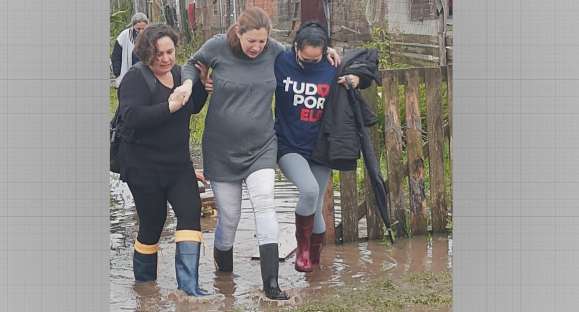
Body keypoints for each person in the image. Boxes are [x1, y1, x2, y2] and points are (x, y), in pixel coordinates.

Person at [172, 7, 339, 301]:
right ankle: (224, 277)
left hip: (262, 145)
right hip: (221, 149)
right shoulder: (217, 47)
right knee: (230, 218)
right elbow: (190, 64)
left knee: (265, 205)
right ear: (238, 33)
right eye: (252, 41)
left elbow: (304, 53)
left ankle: (271, 284)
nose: (257, 47)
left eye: (262, 42)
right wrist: (191, 82)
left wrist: (330, 52)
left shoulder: (275, 51)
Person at [117, 24, 209, 297]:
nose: (166, 59)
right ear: (146, 53)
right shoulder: (135, 78)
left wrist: (202, 87)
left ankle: (189, 288)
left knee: (190, 213)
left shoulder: (181, 74)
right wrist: (169, 106)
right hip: (143, 167)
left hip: (178, 165)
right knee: (153, 222)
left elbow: (192, 108)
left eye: (170, 52)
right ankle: (145, 287)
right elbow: (131, 117)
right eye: (158, 54)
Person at [273, 22, 361, 272]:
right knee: (309, 190)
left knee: (317, 204)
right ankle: (302, 250)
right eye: (306, 59)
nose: (312, 63)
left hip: (321, 148)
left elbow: (368, 65)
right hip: (289, 145)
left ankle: (314, 261)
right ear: (296, 47)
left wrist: (358, 78)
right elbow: (255, 42)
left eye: (316, 59)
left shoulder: (332, 66)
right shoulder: (281, 61)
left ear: (324, 51)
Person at [111, 12, 149, 87]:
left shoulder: (150, 34)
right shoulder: (124, 35)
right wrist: (117, 73)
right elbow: (116, 55)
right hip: (129, 72)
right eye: (138, 29)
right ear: (133, 26)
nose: (141, 31)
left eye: (143, 28)